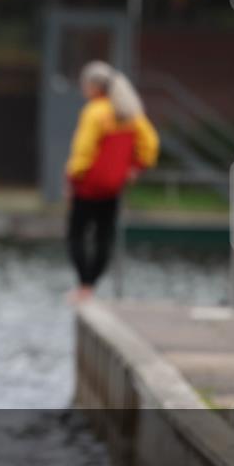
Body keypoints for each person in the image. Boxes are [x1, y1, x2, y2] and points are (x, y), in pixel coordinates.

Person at [65, 61, 159, 302]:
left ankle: (84, 285)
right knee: (104, 237)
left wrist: (73, 176)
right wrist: (135, 168)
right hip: (113, 187)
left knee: (76, 235)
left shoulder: (94, 112)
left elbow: (83, 150)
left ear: (95, 87)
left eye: (85, 84)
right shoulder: (130, 113)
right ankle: (92, 285)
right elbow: (150, 144)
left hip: (88, 187)